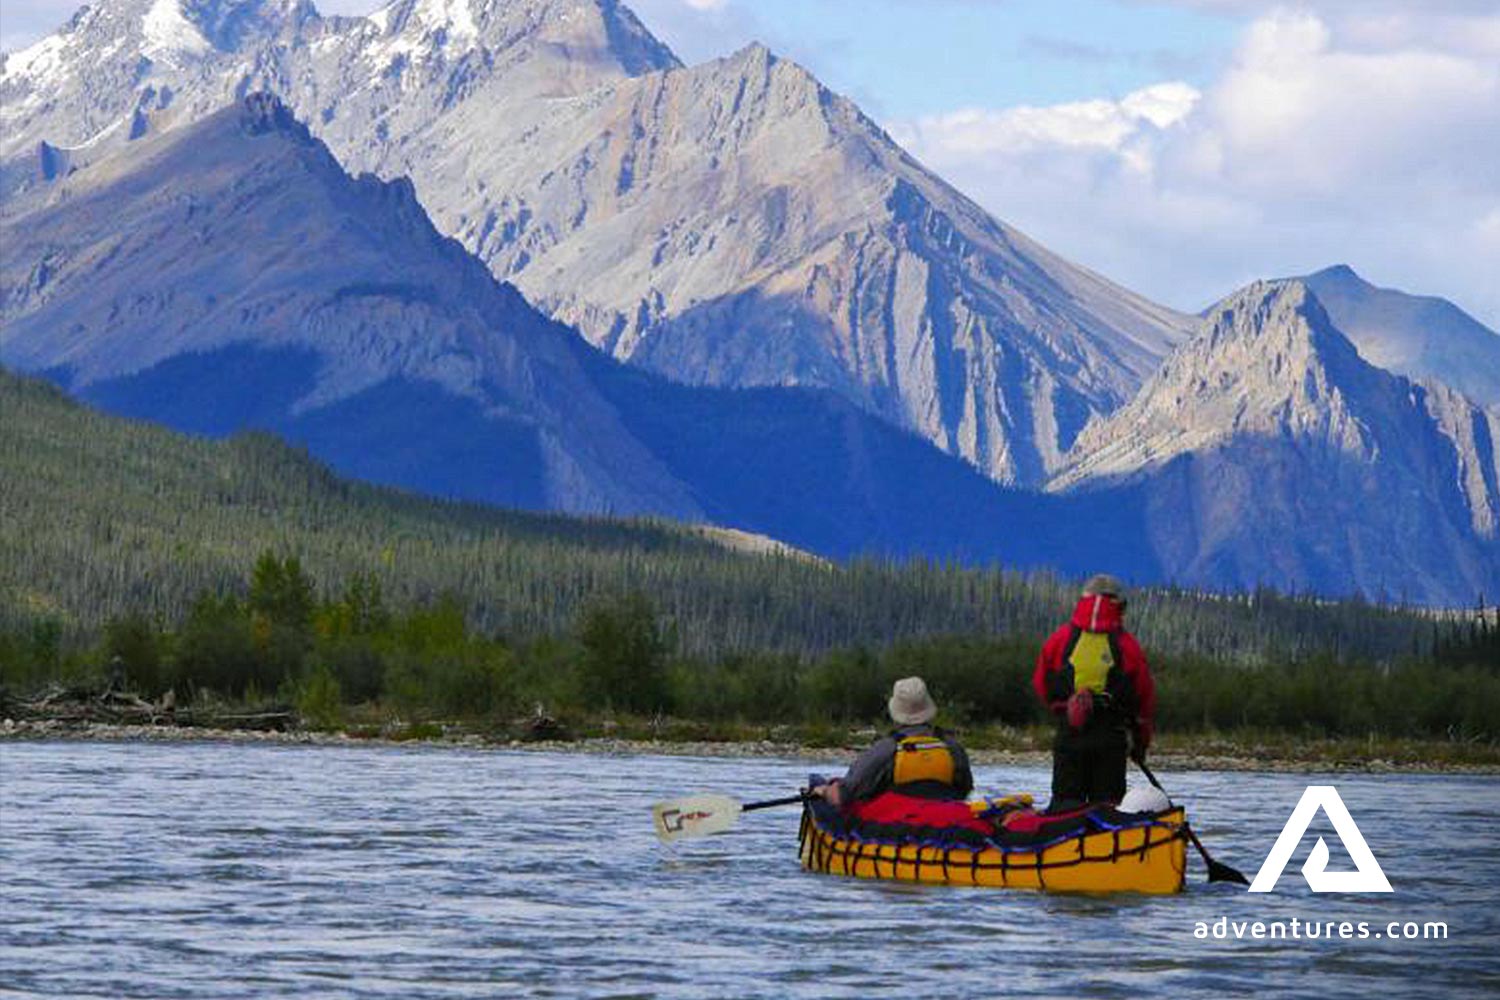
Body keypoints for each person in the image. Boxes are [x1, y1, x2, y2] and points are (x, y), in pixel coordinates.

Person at [1033, 574, 1156, 807]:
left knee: (1065, 805)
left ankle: (1064, 836)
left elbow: (1041, 683)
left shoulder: (1058, 640)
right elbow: (1144, 701)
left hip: (1069, 736)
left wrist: (1063, 712)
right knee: (1107, 807)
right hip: (1111, 739)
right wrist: (1140, 744)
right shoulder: (1128, 646)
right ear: (1119, 606)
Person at [813, 676, 987, 830]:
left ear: (896, 713)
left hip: (899, 824)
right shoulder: (952, 747)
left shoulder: (886, 749)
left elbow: (843, 796)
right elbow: (965, 789)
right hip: (949, 819)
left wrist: (824, 791)